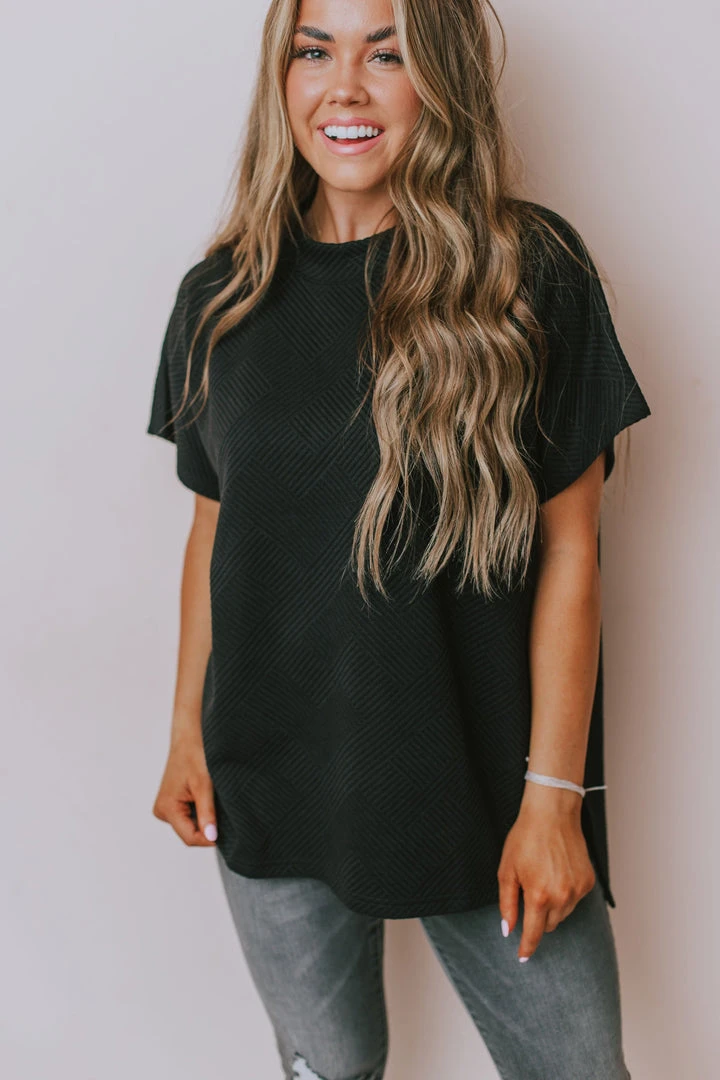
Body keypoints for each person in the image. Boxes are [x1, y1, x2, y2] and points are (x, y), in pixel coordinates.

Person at [145, 1, 651, 1077]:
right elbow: (214, 528)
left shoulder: (528, 272)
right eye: (314, 51)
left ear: (442, 80)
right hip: (270, 780)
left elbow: (572, 554)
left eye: (389, 54)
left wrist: (554, 802)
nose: (346, 86)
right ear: (283, 78)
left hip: (485, 792)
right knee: (327, 1069)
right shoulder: (221, 296)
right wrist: (186, 731)